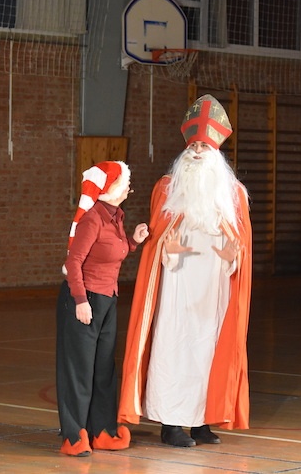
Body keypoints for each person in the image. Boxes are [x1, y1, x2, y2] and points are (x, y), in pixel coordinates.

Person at [118, 94, 253, 448]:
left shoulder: (233, 193)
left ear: (216, 151)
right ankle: (172, 423)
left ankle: (202, 420)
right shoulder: (168, 188)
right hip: (178, 284)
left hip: (214, 288)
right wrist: (166, 251)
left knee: (209, 350)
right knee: (175, 347)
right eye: (193, 145)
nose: (196, 152)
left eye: (204, 146)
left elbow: (240, 244)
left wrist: (233, 258)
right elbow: (157, 239)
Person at [56, 160, 149, 457]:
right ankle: (74, 436)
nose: (129, 186)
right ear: (111, 188)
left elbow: (110, 252)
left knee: (103, 370)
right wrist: (81, 301)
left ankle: (103, 432)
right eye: (125, 182)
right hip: (85, 299)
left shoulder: (115, 217)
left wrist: (133, 242)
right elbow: (74, 262)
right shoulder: (93, 218)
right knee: (79, 371)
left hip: (107, 298)